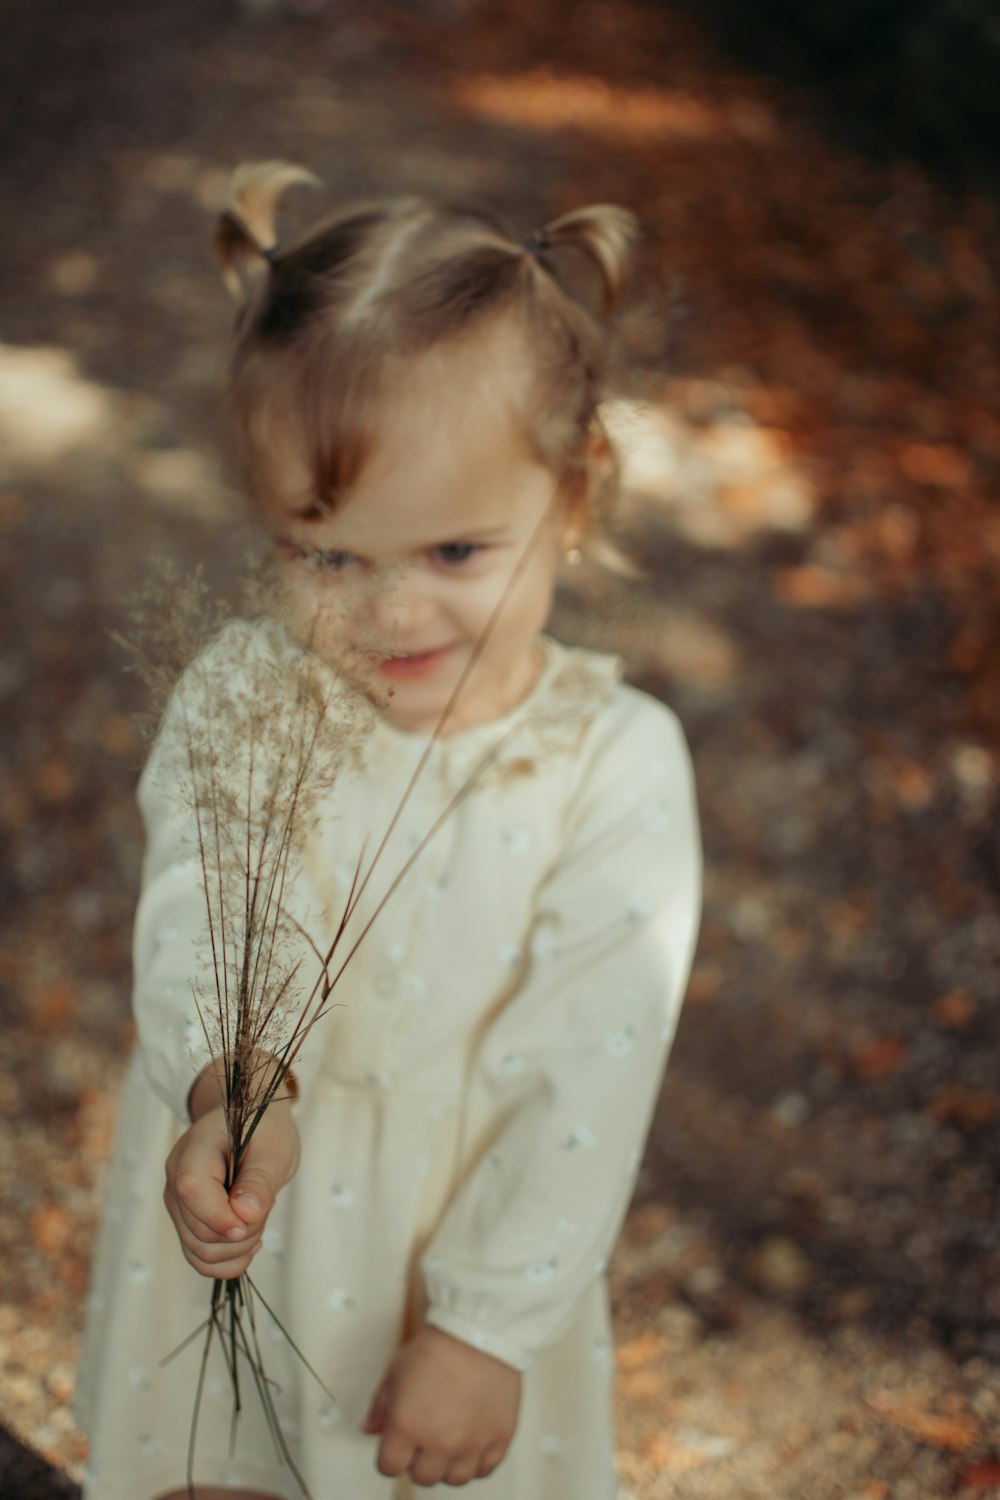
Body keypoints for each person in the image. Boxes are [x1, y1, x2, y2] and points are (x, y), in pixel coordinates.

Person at [75, 162, 702, 1500]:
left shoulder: (612, 765)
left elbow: (585, 1076)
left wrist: (486, 1322)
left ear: (575, 494)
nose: (392, 614)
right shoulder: (247, 695)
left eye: (456, 554)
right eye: (329, 557)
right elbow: (207, 904)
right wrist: (238, 1092)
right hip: (257, 1206)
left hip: (443, 1262)